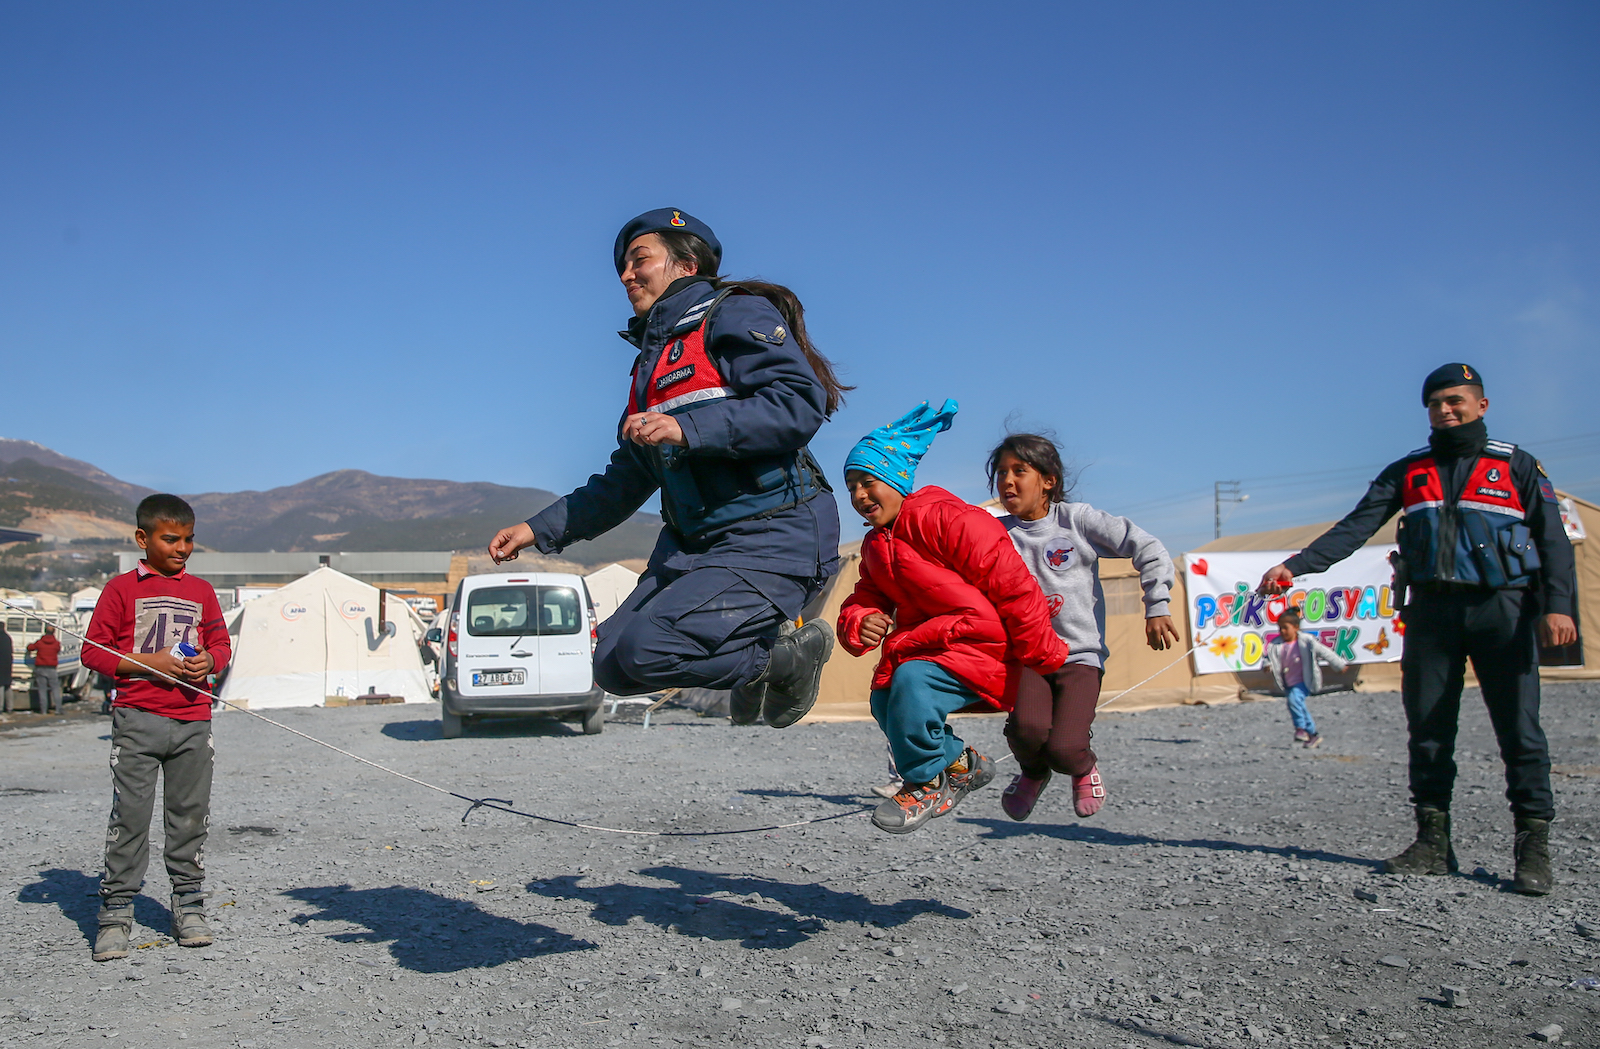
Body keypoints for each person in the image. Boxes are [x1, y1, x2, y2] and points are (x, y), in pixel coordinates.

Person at [488, 209, 848, 729]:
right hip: (693, 543)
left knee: (644, 649)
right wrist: (536, 530)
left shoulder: (734, 313)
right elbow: (627, 478)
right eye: (622, 267)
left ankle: (781, 660)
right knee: (611, 662)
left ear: (686, 264)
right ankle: (762, 666)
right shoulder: (647, 369)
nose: (626, 275)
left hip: (771, 533)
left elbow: (798, 404)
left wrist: (690, 429)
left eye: (640, 260)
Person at [1258, 363, 1577, 896]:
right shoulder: (1409, 470)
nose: (1445, 410)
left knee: (1520, 732)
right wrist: (1299, 564)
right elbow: (1357, 526)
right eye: (1435, 404)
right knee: (1429, 730)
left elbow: (1554, 541)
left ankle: (1532, 846)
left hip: (1505, 610)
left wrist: (1558, 606)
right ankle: (1433, 842)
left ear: (1481, 405)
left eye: (1455, 401)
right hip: (1431, 614)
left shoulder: (1516, 466)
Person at [836, 401, 1070, 834]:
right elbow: (864, 595)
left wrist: (1045, 658)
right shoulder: (875, 547)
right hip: (933, 643)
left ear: (895, 478)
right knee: (884, 699)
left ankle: (925, 782)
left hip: (984, 643)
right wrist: (861, 618)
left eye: (868, 482)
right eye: (850, 488)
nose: (859, 497)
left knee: (912, 685)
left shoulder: (951, 520)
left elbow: (1015, 588)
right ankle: (963, 765)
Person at [987, 434, 1179, 821]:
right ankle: (1033, 773)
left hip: (1079, 655)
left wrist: (1156, 604)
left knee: (1065, 747)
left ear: (1048, 480)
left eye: (1019, 471)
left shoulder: (1076, 521)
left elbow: (1148, 547)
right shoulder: (993, 532)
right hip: (1028, 656)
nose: (1007, 481)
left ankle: (1082, 767)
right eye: (1001, 472)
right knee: (1025, 731)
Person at [81, 494, 232, 961]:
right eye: (171, 539)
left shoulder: (203, 592)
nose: (182, 547)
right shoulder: (120, 590)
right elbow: (93, 652)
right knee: (130, 818)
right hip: (137, 720)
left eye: (188, 539)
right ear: (143, 539)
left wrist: (211, 660)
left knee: (189, 817)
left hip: (193, 720)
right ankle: (116, 914)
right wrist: (152, 663)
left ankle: (188, 905)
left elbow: (222, 644)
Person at [1264, 608, 1347, 749]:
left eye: (1286, 628)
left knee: (1294, 700)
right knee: (1299, 705)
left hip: (1304, 681)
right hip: (1287, 682)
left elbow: (1325, 652)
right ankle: (1313, 734)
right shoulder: (1275, 645)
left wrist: (1339, 665)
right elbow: (1268, 658)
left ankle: (1300, 729)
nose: (1282, 632)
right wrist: (1267, 665)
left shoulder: (1306, 642)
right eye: (1280, 628)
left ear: (1296, 628)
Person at [26, 623, 62, 714]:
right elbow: (58, 650)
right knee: (55, 689)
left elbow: (30, 648)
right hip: (52, 669)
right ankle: (58, 709)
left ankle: (43, 710)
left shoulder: (40, 643)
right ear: (54, 633)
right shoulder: (56, 644)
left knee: (42, 690)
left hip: (40, 668)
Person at [0, 622, 12, 713]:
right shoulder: (8, 638)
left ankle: (0, 707)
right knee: (7, 686)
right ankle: (9, 707)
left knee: (0, 686)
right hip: (7, 665)